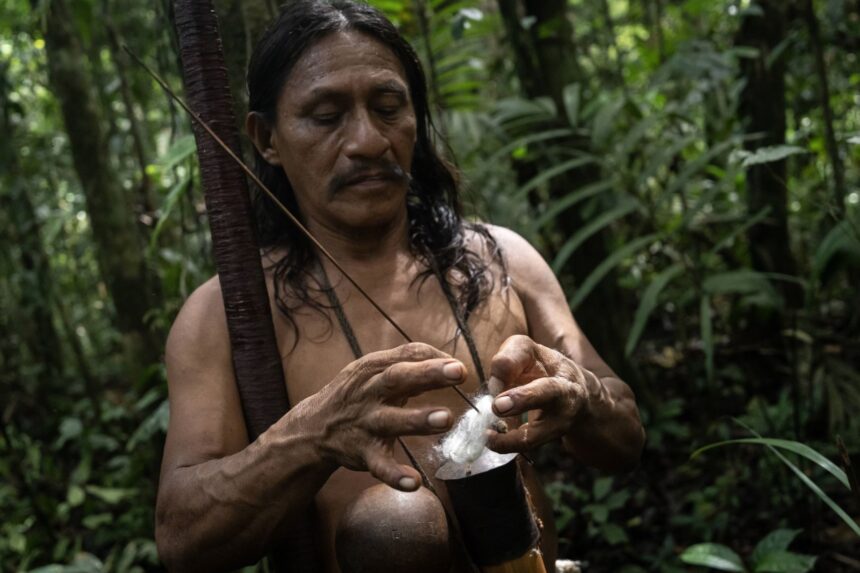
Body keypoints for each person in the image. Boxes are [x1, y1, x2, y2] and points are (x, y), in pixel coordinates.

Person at [155, 1, 645, 572]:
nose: (367, 140)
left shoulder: (502, 260)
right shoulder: (224, 316)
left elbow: (626, 438)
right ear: (266, 139)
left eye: (389, 107)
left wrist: (581, 400)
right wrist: (310, 437)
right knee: (391, 524)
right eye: (325, 115)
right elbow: (182, 538)